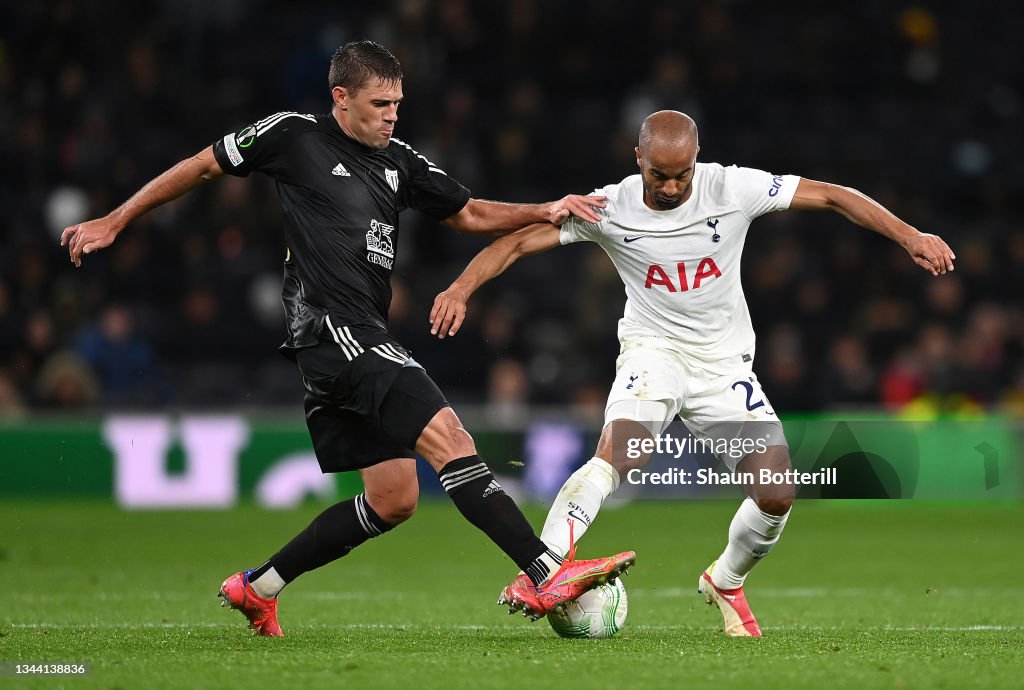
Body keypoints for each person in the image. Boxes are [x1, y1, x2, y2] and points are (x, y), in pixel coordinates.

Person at [60, 40, 636, 636]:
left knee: (394, 498)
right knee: (451, 438)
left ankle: (258, 588)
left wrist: (547, 209)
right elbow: (204, 164)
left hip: (353, 339)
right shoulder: (293, 135)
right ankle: (547, 572)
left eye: (398, 103)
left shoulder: (401, 162)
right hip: (332, 331)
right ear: (341, 98)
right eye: (380, 102)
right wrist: (115, 219)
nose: (392, 114)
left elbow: (467, 214)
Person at [429, 110, 956, 637]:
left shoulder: (733, 188)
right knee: (618, 454)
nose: (672, 185)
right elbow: (518, 241)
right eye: (659, 174)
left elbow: (834, 195)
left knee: (776, 493)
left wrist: (909, 235)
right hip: (652, 353)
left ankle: (725, 579)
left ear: (697, 159)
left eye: (682, 173)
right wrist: (460, 288)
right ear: (639, 160)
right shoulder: (608, 207)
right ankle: (543, 571)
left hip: (723, 365)